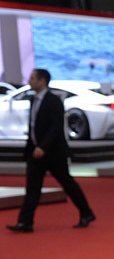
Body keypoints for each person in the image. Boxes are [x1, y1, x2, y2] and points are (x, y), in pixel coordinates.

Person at [6, 68, 96, 232]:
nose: (29, 81)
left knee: (67, 183)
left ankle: (86, 212)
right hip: (35, 151)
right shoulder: (33, 100)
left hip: (54, 152)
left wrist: (43, 147)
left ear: (42, 81)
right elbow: (34, 126)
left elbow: (55, 128)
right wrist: (33, 147)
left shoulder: (53, 101)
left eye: (32, 78)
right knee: (32, 187)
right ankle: (25, 222)